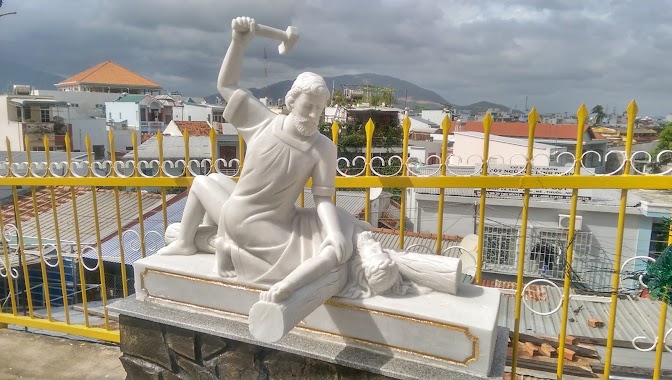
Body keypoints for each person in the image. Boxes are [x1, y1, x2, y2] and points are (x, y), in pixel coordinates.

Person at [158, 16, 373, 302]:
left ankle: (193, 240)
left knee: (342, 225)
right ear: (290, 102)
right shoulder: (263, 122)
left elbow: (323, 199)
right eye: (308, 106)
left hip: (283, 220)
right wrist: (238, 42)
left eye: (319, 110)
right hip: (244, 219)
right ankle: (214, 244)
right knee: (205, 181)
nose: (313, 116)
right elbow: (227, 85)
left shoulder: (323, 147)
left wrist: (333, 233)